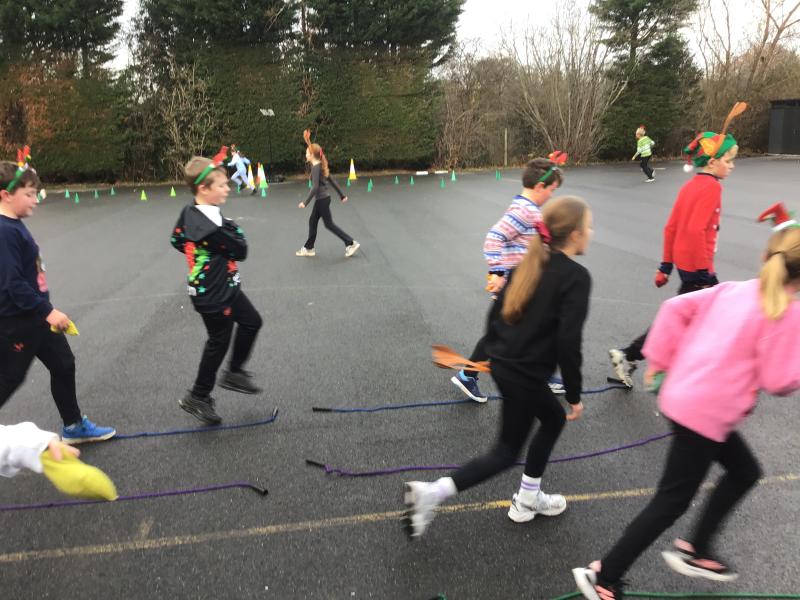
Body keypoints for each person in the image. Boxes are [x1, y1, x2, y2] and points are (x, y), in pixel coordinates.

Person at [573, 210, 800, 599]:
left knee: (745, 471)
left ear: (766, 256)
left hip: (686, 398)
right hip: (706, 414)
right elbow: (779, 381)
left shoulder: (734, 289)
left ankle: (698, 548)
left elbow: (674, 309)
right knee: (672, 501)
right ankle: (604, 576)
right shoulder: (787, 313)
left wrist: (660, 360)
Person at [404, 196, 593, 538]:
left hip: (508, 367)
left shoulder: (528, 264)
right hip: (525, 375)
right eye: (589, 227)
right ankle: (432, 493)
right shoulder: (576, 277)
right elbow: (569, 342)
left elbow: (496, 314)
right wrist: (575, 395)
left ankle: (528, 498)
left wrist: (494, 353)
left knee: (552, 419)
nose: (591, 233)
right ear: (575, 234)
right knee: (506, 451)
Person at [610, 122, 741, 388]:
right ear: (713, 162)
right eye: (728, 161)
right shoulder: (713, 188)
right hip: (698, 268)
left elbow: (671, 227)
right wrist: (705, 273)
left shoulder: (690, 186)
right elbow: (694, 230)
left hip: (685, 264)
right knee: (698, 320)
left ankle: (633, 356)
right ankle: (648, 361)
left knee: (683, 318)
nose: (732, 166)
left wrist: (666, 266)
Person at [0, 158, 115, 443]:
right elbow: (13, 284)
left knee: (63, 363)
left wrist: (44, 312)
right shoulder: (4, 232)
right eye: (29, 194)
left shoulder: (13, 225)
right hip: (17, 322)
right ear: (6, 195)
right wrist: (49, 312)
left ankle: (74, 426)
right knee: (9, 378)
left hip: (36, 316)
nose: (35, 199)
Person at [451, 155, 566, 403]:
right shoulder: (524, 211)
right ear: (540, 187)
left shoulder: (528, 208)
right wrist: (498, 272)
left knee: (530, 329)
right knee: (506, 333)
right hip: (515, 286)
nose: (552, 196)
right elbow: (494, 237)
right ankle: (468, 375)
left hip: (525, 284)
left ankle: (538, 373)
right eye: (552, 190)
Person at [171, 150, 263, 425]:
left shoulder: (192, 212)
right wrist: (225, 238)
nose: (228, 188)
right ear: (203, 188)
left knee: (251, 322)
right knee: (218, 342)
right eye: (221, 185)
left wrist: (201, 257)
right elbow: (241, 249)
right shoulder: (211, 228)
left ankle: (234, 372)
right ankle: (198, 396)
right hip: (213, 294)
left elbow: (177, 238)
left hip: (224, 286)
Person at [296, 129, 360, 258]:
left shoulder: (316, 168)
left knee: (329, 224)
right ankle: (309, 248)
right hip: (324, 199)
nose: (305, 154)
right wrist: (342, 195)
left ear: (311, 155)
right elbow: (331, 181)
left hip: (321, 200)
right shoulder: (320, 165)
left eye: (307, 153)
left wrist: (305, 202)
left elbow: (315, 187)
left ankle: (351, 243)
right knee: (313, 221)